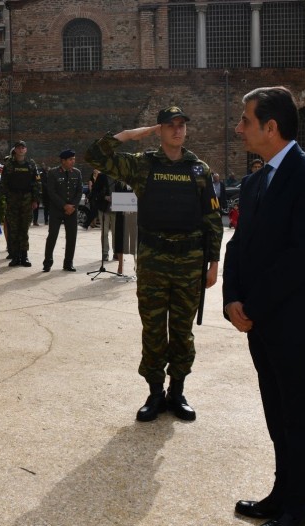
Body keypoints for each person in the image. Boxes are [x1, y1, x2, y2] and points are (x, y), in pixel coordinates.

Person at [223, 86, 305, 526]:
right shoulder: (255, 180)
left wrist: (251, 305)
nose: (239, 128)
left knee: (301, 417)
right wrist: (232, 296)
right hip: (260, 321)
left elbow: (303, 255)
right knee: (277, 414)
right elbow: (238, 245)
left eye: (246, 120)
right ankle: (281, 491)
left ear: (271, 127)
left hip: (298, 323)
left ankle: (299, 510)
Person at [85, 105, 222, 423]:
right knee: (153, 329)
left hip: (190, 263)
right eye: (170, 125)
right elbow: (96, 156)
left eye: (181, 125)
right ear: (159, 129)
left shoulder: (198, 169)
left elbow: (212, 219)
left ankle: (178, 392)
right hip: (153, 263)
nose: (177, 130)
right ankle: (155, 393)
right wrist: (133, 134)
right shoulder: (142, 164)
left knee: (183, 331)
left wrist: (213, 262)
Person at [42, 150, 83, 272]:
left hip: (72, 211)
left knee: (71, 237)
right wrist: (64, 206)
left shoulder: (77, 173)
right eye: (70, 159)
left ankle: (68, 263)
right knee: (52, 236)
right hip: (57, 210)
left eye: (74, 159)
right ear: (63, 161)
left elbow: (79, 191)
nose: (73, 161)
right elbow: (51, 192)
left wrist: (72, 206)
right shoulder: (53, 173)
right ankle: (47, 262)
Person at [1, 140, 40, 267]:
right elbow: (4, 183)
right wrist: (3, 200)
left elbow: (36, 183)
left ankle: (24, 256)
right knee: (13, 229)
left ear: (26, 150)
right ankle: (15, 256)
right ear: (15, 150)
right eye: (18, 148)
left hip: (27, 201)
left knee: (24, 229)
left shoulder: (31, 164)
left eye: (23, 147)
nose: (21, 150)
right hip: (12, 200)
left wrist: (35, 199)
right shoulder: (9, 165)